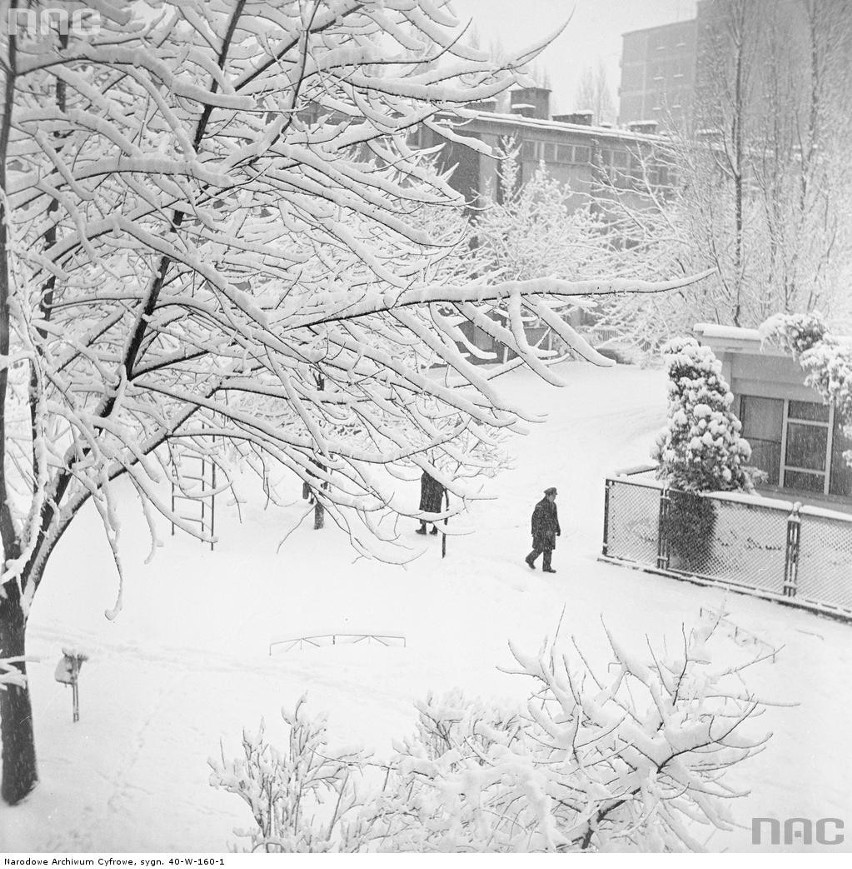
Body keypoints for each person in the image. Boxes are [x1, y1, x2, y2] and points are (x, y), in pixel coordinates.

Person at [525, 486, 560, 573]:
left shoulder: (553, 505)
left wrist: (558, 528)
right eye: (553, 495)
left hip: (550, 531)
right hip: (542, 531)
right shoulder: (540, 506)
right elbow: (535, 520)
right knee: (540, 548)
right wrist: (535, 532)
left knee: (549, 549)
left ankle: (547, 567)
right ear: (548, 495)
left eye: (555, 495)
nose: (555, 497)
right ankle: (530, 559)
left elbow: (555, 518)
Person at [416, 469, 445, 535]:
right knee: (435, 511)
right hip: (436, 497)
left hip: (428, 496)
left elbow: (425, 488)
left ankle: (424, 527)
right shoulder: (438, 474)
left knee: (424, 509)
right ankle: (434, 528)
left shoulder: (427, 475)